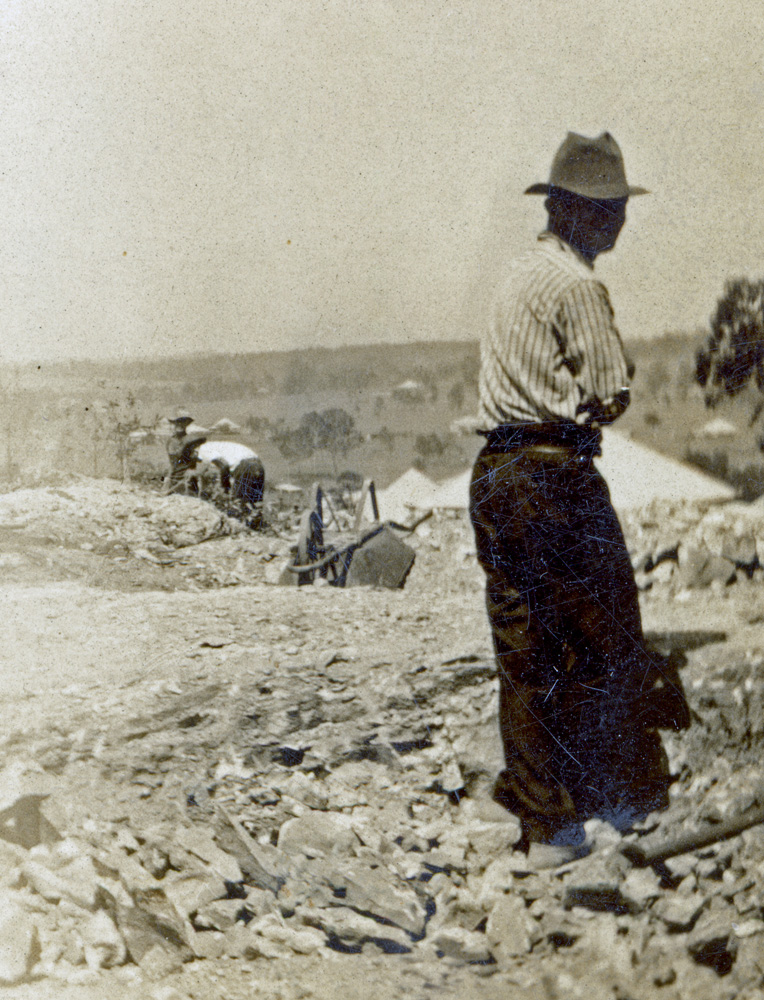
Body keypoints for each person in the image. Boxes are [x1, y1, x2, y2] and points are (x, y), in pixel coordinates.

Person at [469, 132, 688, 851]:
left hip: (496, 473)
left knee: (525, 648)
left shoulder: (518, 274)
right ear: (576, 213)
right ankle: (618, 799)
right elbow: (610, 391)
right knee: (607, 633)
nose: (618, 221)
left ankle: (544, 819)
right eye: (609, 209)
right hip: (553, 475)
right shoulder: (578, 286)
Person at [163, 411, 206, 494]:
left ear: (186, 424)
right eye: (178, 422)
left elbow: (195, 455)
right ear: (175, 424)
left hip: (190, 474)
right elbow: (174, 457)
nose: (181, 424)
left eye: (183, 422)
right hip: (177, 474)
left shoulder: (189, 439)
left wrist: (195, 455)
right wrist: (186, 447)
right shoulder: (172, 441)